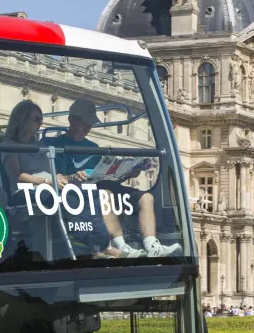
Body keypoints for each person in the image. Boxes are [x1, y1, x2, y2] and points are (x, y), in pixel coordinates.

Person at [55, 98, 181, 258]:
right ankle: (121, 246)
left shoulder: (93, 147)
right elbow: (55, 177)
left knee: (146, 197)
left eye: (90, 124)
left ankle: (152, 245)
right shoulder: (56, 144)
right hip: (79, 191)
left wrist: (128, 173)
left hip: (102, 186)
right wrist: (72, 176)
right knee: (105, 193)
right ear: (71, 119)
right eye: (84, 123)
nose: (87, 127)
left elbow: (107, 177)